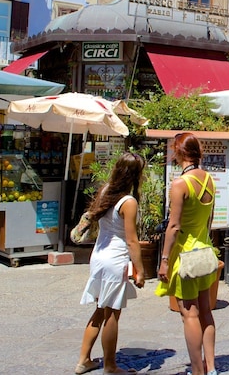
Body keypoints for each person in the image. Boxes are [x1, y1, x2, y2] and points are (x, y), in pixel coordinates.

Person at [76, 153, 147, 375]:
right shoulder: (128, 202)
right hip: (115, 260)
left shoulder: (106, 191)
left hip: (98, 256)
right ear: (136, 175)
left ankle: (84, 360)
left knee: (99, 310)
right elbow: (132, 239)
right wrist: (141, 270)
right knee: (112, 313)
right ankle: (110, 365)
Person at [156, 132, 219, 375]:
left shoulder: (180, 184)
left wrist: (164, 260)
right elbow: (209, 220)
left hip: (185, 255)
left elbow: (173, 226)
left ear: (178, 152)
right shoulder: (209, 180)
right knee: (205, 311)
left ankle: (197, 370)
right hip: (204, 251)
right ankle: (211, 367)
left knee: (189, 313)